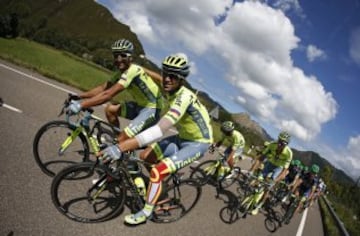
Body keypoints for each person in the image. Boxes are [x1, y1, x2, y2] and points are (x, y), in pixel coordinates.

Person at [100, 52, 213, 225]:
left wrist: (120, 147)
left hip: (199, 143)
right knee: (146, 156)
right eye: (165, 73)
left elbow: (159, 130)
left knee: (157, 171)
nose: (167, 79)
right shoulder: (170, 85)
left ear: (181, 79)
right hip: (183, 137)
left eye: (173, 76)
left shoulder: (183, 98)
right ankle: (159, 185)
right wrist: (138, 68)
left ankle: (146, 212)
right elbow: (156, 76)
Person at [67, 39, 163, 143]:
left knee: (125, 136)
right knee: (110, 110)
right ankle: (118, 141)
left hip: (152, 109)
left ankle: (120, 144)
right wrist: (80, 97)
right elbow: (102, 88)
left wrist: (81, 105)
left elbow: (108, 95)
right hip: (140, 105)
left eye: (123, 55)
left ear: (130, 57)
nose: (119, 59)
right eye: (116, 56)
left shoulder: (133, 71)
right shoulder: (120, 73)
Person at [248, 131, 293, 215]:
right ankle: (253, 194)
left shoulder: (289, 153)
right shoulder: (272, 145)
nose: (280, 144)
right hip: (270, 163)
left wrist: (274, 181)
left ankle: (258, 206)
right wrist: (251, 171)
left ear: (286, 144)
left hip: (279, 168)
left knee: (267, 188)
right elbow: (260, 158)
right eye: (279, 141)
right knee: (259, 178)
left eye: (282, 143)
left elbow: (284, 172)